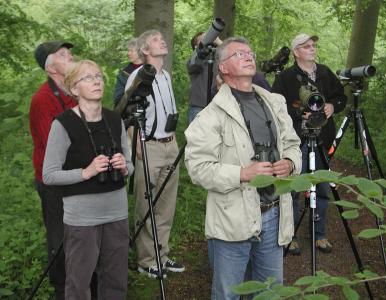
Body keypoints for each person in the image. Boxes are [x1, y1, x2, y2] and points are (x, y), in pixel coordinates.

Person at [185, 37, 302, 300]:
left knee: (270, 291)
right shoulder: (210, 116)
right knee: (229, 294)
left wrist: (291, 163)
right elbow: (197, 168)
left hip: (273, 214)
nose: (248, 56)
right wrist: (242, 174)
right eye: (239, 54)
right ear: (223, 68)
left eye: (250, 52)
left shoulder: (275, 103)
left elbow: (293, 143)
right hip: (232, 218)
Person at [42, 59, 133, 299]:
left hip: (117, 212)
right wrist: (86, 172)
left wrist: (125, 167)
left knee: (115, 281)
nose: (96, 82)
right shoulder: (63, 124)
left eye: (99, 77)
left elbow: (131, 165)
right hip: (82, 218)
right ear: (74, 88)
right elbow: (49, 175)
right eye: (88, 78)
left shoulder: (115, 120)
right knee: (79, 283)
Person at [272, 33, 347, 255]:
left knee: (322, 187)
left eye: (313, 45)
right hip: (298, 140)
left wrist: (333, 106)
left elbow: (341, 96)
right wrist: (298, 115)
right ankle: (290, 234)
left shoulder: (324, 72)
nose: (312, 49)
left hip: (323, 139)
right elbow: (276, 106)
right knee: (294, 189)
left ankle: (319, 234)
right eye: (306, 46)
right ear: (296, 52)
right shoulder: (285, 78)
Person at [125, 30, 184, 279]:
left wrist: (174, 140)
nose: (163, 41)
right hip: (147, 145)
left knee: (166, 204)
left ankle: (162, 254)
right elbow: (127, 113)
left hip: (170, 145)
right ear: (146, 50)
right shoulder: (138, 77)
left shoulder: (166, 76)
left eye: (163, 38)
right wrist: (135, 143)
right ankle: (146, 259)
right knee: (147, 204)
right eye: (157, 40)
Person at [29, 40, 76, 299]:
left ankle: (86, 282)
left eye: (69, 52)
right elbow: (53, 148)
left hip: (79, 175)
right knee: (59, 240)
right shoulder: (42, 100)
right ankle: (62, 290)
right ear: (50, 69)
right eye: (62, 54)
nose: (69, 56)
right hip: (53, 182)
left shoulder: (74, 91)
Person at [187, 32, 271, 124]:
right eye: (204, 40)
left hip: (220, 105)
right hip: (200, 107)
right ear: (196, 47)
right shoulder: (195, 62)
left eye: (209, 38)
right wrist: (200, 50)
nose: (208, 40)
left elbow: (233, 55)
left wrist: (219, 42)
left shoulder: (220, 60)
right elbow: (193, 63)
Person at [113, 38, 143, 106]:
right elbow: (117, 99)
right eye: (128, 50)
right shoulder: (124, 74)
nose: (128, 53)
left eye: (132, 51)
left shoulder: (150, 70)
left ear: (140, 52)